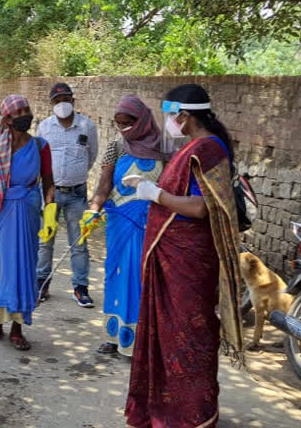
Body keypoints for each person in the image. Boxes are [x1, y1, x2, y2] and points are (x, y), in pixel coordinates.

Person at [124, 84, 244, 428]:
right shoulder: (192, 147)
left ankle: (192, 415)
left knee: (189, 335)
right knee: (165, 333)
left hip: (190, 262)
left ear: (185, 116)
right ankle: (161, 409)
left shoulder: (209, 150)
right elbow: (183, 189)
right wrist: (145, 186)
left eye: (170, 115)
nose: (168, 122)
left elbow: (200, 207)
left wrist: (155, 194)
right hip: (172, 259)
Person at [79, 96, 164, 356]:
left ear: (142, 121)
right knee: (115, 275)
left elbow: (173, 187)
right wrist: (93, 210)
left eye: (127, 123)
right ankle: (113, 336)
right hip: (119, 222)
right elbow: (105, 184)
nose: (123, 129)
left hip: (150, 224)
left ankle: (141, 342)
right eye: (118, 124)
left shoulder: (164, 148)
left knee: (144, 279)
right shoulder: (116, 147)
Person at [0, 94, 57, 351]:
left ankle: (18, 328)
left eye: (27, 111)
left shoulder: (41, 146)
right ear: (7, 119)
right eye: (20, 112)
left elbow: (49, 183)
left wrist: (51, 211)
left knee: (24, 267)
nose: (26, 116)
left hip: (29, 212)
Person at [36, 82, 99, 307]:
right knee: (45, 240)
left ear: (73, 101)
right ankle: (41, 283)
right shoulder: (44, 128)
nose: (62, 104)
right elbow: (40, 160)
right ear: (51, 103)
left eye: (66, 99)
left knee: (79, 242)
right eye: (57, 100)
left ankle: (80, 288)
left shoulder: (87, 126)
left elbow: (92, 156)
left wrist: (76, 175)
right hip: (50, 193)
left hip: (77, 194)